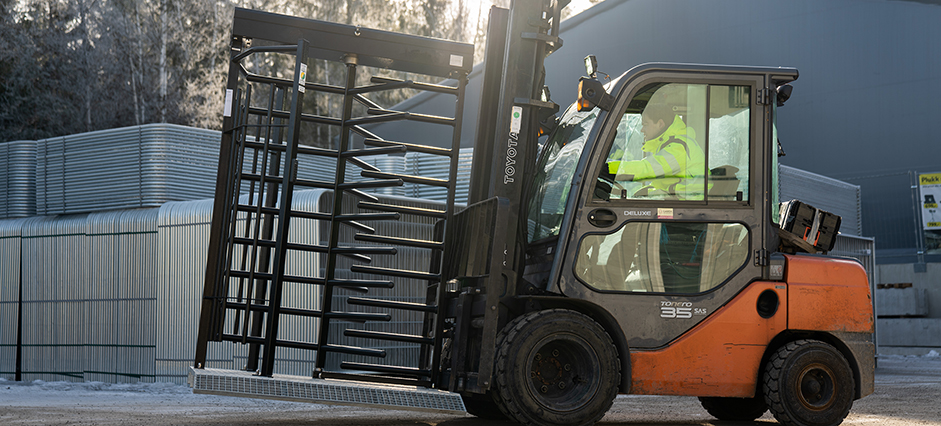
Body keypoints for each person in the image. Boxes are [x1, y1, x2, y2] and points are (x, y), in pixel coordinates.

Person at [603, 103, 705, 200]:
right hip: (683, 202)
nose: (642, 130)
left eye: (645, 124)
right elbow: (663, 183)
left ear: (660, 124)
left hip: (689, 206)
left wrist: (608, 169)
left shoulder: (680, 147)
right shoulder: (671, 144)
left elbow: (647, 169)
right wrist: (646, 191)